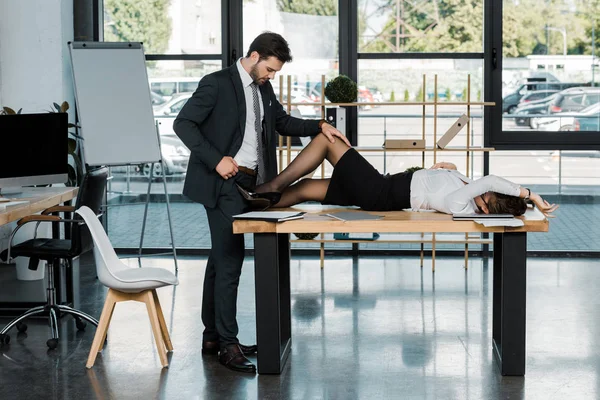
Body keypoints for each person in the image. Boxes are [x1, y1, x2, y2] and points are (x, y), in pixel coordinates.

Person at [173, 32, 348, 373]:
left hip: (250, 182)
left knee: (220, 259)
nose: (272, 76)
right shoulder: (217, 83)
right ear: (254, 56)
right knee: (230, 263)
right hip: (222, 181)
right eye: (269, 69)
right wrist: (216, 159)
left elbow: (281, 122)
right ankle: (228, 344)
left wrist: (319, 126)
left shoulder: (262, 87)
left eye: (275, 72)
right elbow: (183, 123)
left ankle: (213, 336)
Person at [241, 132, 559, 217]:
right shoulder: (469, 194)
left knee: (329, 140)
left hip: (380, 190)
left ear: (486, 209)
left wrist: (531, 195)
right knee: (307, 188)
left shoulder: (464, 207)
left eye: (485, 199)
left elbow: (489, 181)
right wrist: (452, 171)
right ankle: (257, 205)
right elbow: (480, 185)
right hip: (380, 191)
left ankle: (268, 187)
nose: (481, 194)